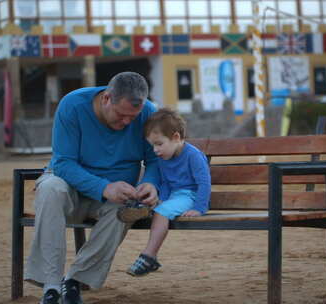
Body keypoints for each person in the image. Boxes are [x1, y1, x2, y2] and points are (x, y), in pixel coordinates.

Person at [25, 72, 160, 304]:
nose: (127, 122)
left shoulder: (148, 113)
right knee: (50, 189)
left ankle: (74, 281)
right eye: (121, 114)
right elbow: (63, 163)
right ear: (107, 98)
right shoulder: (72, 105)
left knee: (128, 208)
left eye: (132, 117)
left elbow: (155, 161)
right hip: (70, 191)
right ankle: (51, 286)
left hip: (113, 200)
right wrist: (104, 187)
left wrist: (150, 182)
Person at [126, 108, 211, 276]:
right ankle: (138, 209)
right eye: (152, 146)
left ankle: (148, 255)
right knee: (151, 206)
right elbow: (165, 182)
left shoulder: (193, 155)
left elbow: (204, 182)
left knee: (161, 212)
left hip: (190, 196)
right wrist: (161, 199)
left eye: (159, 144)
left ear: (176, 138)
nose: (155, 150)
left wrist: (199, 208)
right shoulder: (164, 157)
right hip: (174, 197)